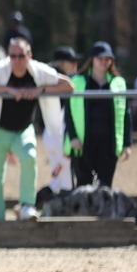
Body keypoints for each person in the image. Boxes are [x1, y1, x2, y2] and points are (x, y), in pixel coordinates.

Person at [0, 37, 73, 222]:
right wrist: (8, 90)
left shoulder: (39, 71)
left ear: (30, 55)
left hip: (23, 128)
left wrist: (39, 90)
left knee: (29, 157)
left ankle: (27, 205)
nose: (17, 60)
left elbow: (68, 84)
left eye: (21, 56)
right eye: (13, 56)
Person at [64, 41, 131, 188]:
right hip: (83, 143)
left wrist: (127, 143)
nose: (104, 62)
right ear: (92, 59)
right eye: (100, 58)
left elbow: (125, 114)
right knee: (83, 187)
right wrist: (73, 137)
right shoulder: (77, 81)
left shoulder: (118, 83)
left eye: (107, 59)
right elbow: (68, 113)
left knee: (105, 188)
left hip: (108, 143)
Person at [40, 46, 83, 198]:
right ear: (62, 63)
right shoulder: (63, 81)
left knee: (57, 181)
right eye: (71, 61)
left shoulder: (46, 78)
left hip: (50, 134)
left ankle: (32, 203)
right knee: (66, 183)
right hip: (60, 135)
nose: (75, 64)